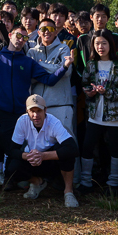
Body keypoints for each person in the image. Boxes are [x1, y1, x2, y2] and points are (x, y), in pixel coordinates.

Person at [0, 27, 53, 186]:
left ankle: (14, 175)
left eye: (24, 38)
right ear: (10, 35)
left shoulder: (28, 61)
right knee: (0, 142)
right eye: (18, 35)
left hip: (22, 112)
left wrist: (64, 67)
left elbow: (48, 80)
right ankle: (0, 172)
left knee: (17, 145)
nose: (21, 40)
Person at [78, 31, 118, 193]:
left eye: (104, 43)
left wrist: (106, 91)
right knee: (87, 146)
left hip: (115, 115)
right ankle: (85, 181)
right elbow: (85, 83)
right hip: (95, 114)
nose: (101, 47)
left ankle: (114, 182)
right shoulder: (91, 64)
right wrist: (90, 92)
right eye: (97, 43)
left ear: (111, 45)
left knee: (115, 147)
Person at [11, 95, 79, 207]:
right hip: (32, 159)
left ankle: (68, 192)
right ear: (27, 111)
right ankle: (37, 182)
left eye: (39, 111)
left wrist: (43, 156)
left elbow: (72, 149)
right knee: (11, 167)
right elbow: (12, 150)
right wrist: (28, 156)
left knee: (66, 154)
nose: (35, 115)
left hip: (51, 163)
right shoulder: (22, 121)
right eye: (32, 111)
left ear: (45, 110)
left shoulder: (54, 122)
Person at [27, 20, 76, 154]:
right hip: (38, 109)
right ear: (38, 32)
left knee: (68, 145)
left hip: (61, 105)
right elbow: (28, 75)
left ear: (55, 31)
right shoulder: (31, 52)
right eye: (43, 29)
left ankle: (75, 176)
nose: (46, 31)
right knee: (40, 146)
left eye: (50, 28)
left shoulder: (63, 48)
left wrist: (39, 65)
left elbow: (67, 72)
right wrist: (58, 68)